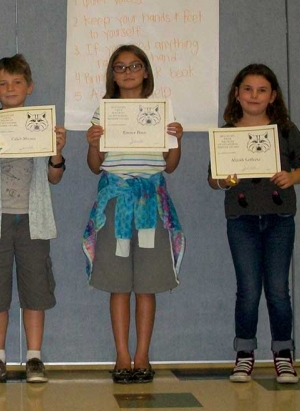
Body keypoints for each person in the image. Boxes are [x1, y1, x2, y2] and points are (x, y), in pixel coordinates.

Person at [82, 44, 185, 384]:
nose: (127, 73)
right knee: (118, 285)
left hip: (151, 204)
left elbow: (169, 165)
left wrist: (177, 141)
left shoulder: (159, 111)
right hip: (116, 203)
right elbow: (95, 167)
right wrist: (93, 143)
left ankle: (142, 355)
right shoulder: (104, 111)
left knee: (147, 286)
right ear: (112, 74)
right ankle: (122, 356)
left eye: (134, 66)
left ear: (145, 72)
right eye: (120, 67)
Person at [208, 64, 300, 384]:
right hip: (242, 221)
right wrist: (224, 180)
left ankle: (283, 354)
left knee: (279, 290)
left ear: (273, 96)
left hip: (280, 218)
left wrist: (291, 176)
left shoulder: (285, 130)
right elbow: (214, 180)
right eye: (248, 89)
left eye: (262, 90)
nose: (254, 95)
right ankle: (244, 354)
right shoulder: (226, 133)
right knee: (248, 290)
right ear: (237, 94)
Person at [0, 54, 67, 384]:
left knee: (35, 287)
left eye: (16, 82)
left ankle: (34, 358)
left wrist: (56, 150)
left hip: (33, 218)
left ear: (30, 87)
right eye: (2, 83)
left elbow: (54, 178)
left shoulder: (42, 126)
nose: (10, 88)